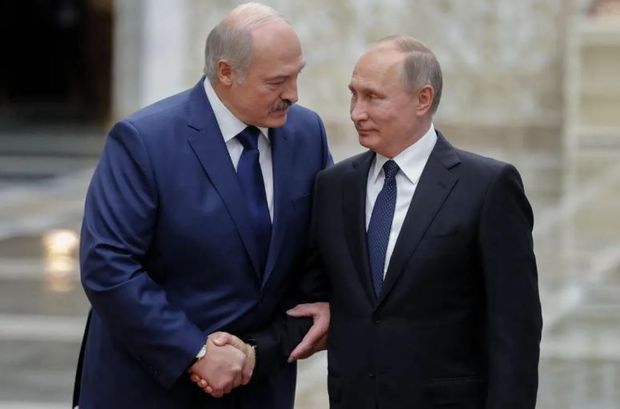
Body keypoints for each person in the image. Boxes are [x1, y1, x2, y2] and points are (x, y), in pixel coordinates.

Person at [73, 3, 331, 408]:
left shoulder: (307, 133)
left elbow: (321, 247)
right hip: (150, 388)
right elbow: (108, 265)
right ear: (226, 72)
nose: (293, 95)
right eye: (277, 81)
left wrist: (326, 307)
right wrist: (195, 351)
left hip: (259, 386)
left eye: (297, 75)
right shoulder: (144, 140)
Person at [309, 36, 542, 408]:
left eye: (373, 97)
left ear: (423, 99)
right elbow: (315, 292)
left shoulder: (487, 187)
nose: (356, 112)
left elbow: (515, 330)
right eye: (354, 95)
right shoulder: (333, 186)